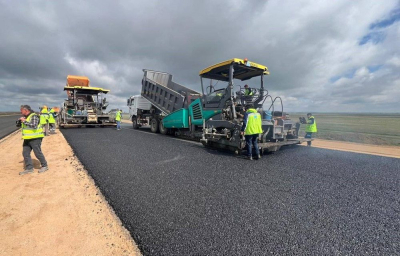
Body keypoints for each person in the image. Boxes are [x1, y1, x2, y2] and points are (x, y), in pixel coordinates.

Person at [18, 105, 49, 175]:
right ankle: (29, 168)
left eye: (21, 110)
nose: (20, 112)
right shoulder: (26, 117)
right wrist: (20, 121)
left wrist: (24, 121)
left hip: (35, 138)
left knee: (37, 153)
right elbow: (24, 126)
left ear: (26, 110)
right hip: (27, 138)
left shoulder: (34, 116)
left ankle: (45, 165)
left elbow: (34, 125)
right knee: (25, 153)